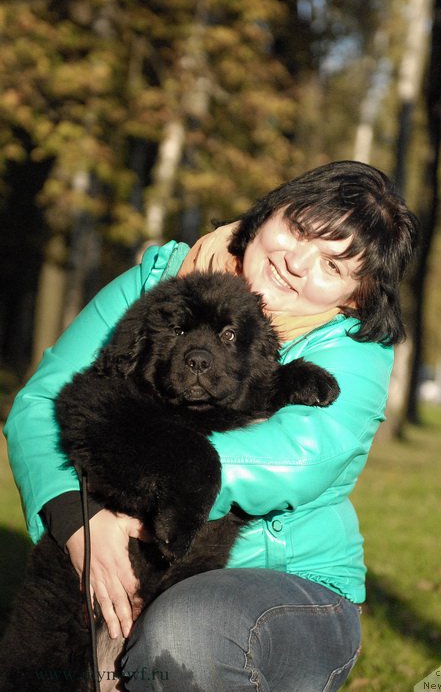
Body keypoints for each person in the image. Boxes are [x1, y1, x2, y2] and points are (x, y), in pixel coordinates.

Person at [4, 160, 419, 691]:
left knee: (184, 633)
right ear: (269, 213)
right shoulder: (159, 278)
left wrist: (176, 476)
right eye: (298, 231)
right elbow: (44, 400)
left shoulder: (353, 343)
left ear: (357, 296)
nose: (297, 263)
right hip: (110, 541)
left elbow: (300, 457)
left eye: (332, 266)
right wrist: (78, 519)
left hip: (281, 589)